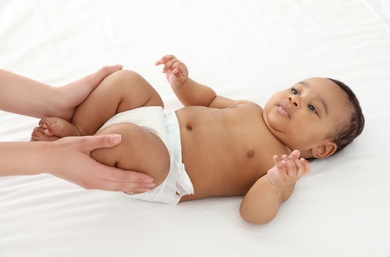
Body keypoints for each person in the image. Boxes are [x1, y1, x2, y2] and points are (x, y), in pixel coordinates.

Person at [31, 55, 365, 224]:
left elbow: (254, 214)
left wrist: (275, 183)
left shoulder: (280, 167)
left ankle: (71, 152)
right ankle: (77, 132)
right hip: (156, 120)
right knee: (127, 81)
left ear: (321, 148)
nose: (293, 98)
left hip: (163, 168)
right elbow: (205, 99)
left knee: (127, 139)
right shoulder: (248, 108)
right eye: (295, 89)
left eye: (311, 107)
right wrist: (182, 84)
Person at [0, 66, 154, 193]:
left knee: (125, 81)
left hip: (166, 130)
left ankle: (78, 130)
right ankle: (84, 147)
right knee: (123, 137)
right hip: (166, 158)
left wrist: (55, 100)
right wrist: (48, 156)